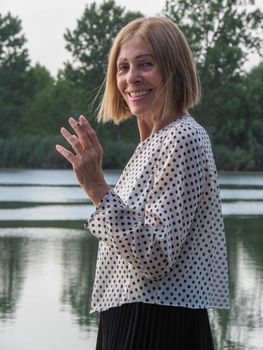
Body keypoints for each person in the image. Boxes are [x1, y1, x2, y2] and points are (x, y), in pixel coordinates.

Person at [56, 17, 229, 350]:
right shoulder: (154, 144)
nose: (131, 78)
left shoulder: (183, 138)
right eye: (122, 67)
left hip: (159, 325)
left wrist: (97, 189)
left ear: (173, 69)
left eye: (145, 64)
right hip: (132, 317)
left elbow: (155, 256)